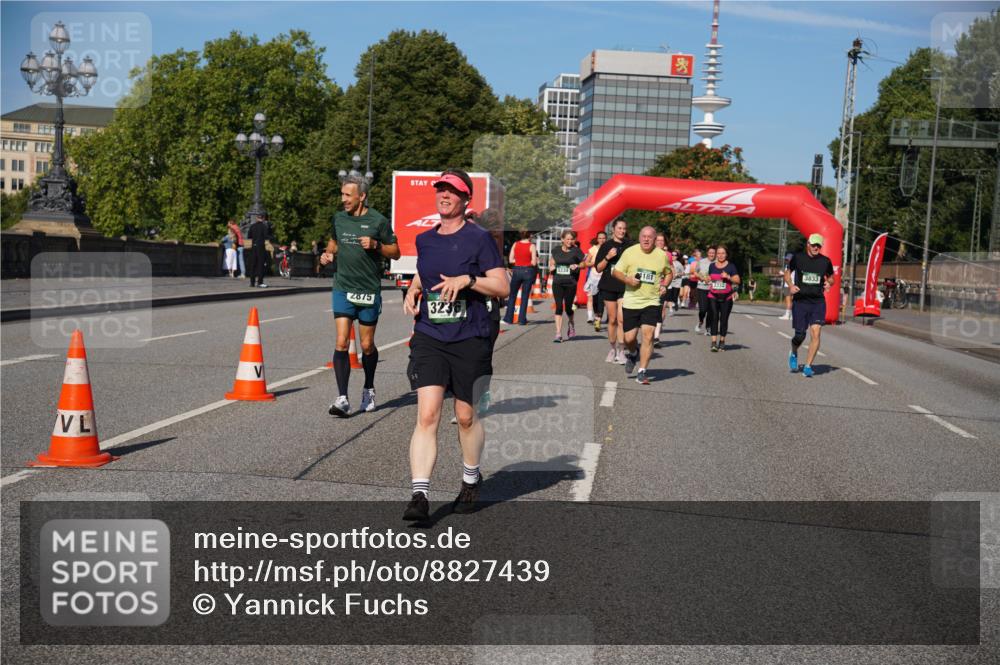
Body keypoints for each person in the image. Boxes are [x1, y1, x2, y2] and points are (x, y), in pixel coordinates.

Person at [402, 169, 509, 521]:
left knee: (465, 416)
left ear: (466, 200)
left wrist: (469, 280)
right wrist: (414, 289)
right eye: (441, 190)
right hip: (431, 335)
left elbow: (502, 286)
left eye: (453, 191)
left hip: (470, 337)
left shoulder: (479, 239)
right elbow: (426, 270)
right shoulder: (425, 240)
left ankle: (470, 477)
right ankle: (419, 494)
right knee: (428, 414)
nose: (444, 195)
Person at [320, 174, 400, 417]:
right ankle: (342, 398)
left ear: (361, 196)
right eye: (342, 194)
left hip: (368, 290)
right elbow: (333, 243)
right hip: (343, 286)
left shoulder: (379, 221)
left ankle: (368, 388)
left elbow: (396, 252)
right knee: (342, 341)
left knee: (366, 345)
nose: (343, 199)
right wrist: (327, 255)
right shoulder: (339, 218)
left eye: (348, 195)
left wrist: (377, 245)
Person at [613, 226, 671, 385]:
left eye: (650, 237)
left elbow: (669, 272)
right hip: (632, 300)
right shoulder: (630, 252)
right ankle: (633, 352)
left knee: (648, 335)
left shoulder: (661, 255)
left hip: (652, 301)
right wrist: (627, 280)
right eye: (643, 236)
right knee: (629, 338)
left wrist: (665, 285)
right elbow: (616, 272)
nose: (646, 239)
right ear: (639, 238)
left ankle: (642, 371)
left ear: (654, 239)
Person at [785, 233, 834, 377]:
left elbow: (832, 278)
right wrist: (791, 285)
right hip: (801, 301)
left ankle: (807, 366)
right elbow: (787, 274)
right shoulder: (798, 258)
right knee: (800, 335)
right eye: (813, 245)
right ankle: (794, 352)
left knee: (816, 332)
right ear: (808, 244)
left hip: (818, 302)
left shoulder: (825, 261)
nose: (816, 247)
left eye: (818, 245)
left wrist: (829, 283)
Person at [593, 219, 634, 363]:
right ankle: (612, 348)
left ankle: (622, 351)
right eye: (619, 228)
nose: (622, 231)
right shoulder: (606, 245)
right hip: (609, 285)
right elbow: (598, 268)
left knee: (622, 319)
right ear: (613, 229)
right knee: (612, 319)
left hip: (624, 286)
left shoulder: (630, 245)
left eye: (624, 228)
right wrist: (608, 257)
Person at [549, 229, 585, 342]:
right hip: (558, 282)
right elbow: (552, 262)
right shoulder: (556, 250)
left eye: (572, 239)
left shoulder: (576, 251)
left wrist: (578, 266)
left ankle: (571, 324)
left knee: (568, 308)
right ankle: (558, 333)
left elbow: (584, 263)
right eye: (568, 239)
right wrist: (551, 267)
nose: (570, 241)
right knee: (559, 306)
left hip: (570, 282)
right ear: (562, 239)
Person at [707, 245, 740, 351]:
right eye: (719, 253)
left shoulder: (731, 266)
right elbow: (710, 278)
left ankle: (722, 341)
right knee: (714, 317)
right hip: (713, 295)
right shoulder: (712, 266)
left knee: (724, 319)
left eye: (723, 253)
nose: (720, 255)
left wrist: (728, 277)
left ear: (726, 254)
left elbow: (737, 280)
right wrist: (707, 279)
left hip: (726, 297)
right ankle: (713, 342)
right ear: (716, 254)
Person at [503, 230, 538, 325]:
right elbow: (534, 262)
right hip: (528, 271)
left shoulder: (515, 244)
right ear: (530, 235)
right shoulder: (532, 246)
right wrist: (527, 262)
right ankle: (522, 320)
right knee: (525, 296)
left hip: (517, 270)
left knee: (512, 295)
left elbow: (510, 260)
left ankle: (508, 318)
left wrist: (518, 261)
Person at [584, 231, 607, 329]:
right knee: (595, 299)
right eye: (600, 238)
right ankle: (595, 314)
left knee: (601, 299)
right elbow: (586, 263)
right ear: (597, 239)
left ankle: (598, 319)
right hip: (594, 276)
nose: (602, 240)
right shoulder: (593, 250)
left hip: (604, 276)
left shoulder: (608, 248)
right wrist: (594, 263)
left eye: (604, 238)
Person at [694, 246, 716, 335]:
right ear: (707, 253)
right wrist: (702, 277)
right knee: (703, 309)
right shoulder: (702, 262)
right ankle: (700, 321)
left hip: (713, 289)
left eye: (713, 253)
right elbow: (695, 272)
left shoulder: (718, 263)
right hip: (702, 287)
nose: (711, 254)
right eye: (710, 253)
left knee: (711, 310)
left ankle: (708, 328)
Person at [653, 232, 669, 346]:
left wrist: (665, 284)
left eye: (662, 241)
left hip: (661, 287)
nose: (660, 242)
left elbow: (671, 271)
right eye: (658, 240)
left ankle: (656, 337)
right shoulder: (649, 252)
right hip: (648, 287)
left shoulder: (667, 255)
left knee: (659, 311)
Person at [247, 215, 270, 288]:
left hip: (253, 246)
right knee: (260, 264)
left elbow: (249, 236)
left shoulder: (252, 226)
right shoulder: (264, 226)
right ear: (263, 218)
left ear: (257, 218)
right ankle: (260, 282)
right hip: (260, 246)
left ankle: (252, 282)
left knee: (253, 264)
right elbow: (266, 236)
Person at [667, 250, 684, 316]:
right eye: (672, 255)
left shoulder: (679, 264)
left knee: (675, 295)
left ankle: (676, 302)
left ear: (677, 257)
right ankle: (671, 309)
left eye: (675, 255)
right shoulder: (668, 262)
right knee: (669, 296)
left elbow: (683, 273)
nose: (674, 257)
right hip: (669, 282)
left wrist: (678, 274)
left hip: (677, 282)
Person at [779, 253, 794, 320]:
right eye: (786, 259)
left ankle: (787, 315)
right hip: (794, 284)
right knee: (793, 301)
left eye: (788, 259)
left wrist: (782, 273)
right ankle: (792, 316)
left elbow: (786, 274)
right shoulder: (796, 265)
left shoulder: (789, 266)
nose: (787, 260)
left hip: (788, 285)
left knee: (788, 300)